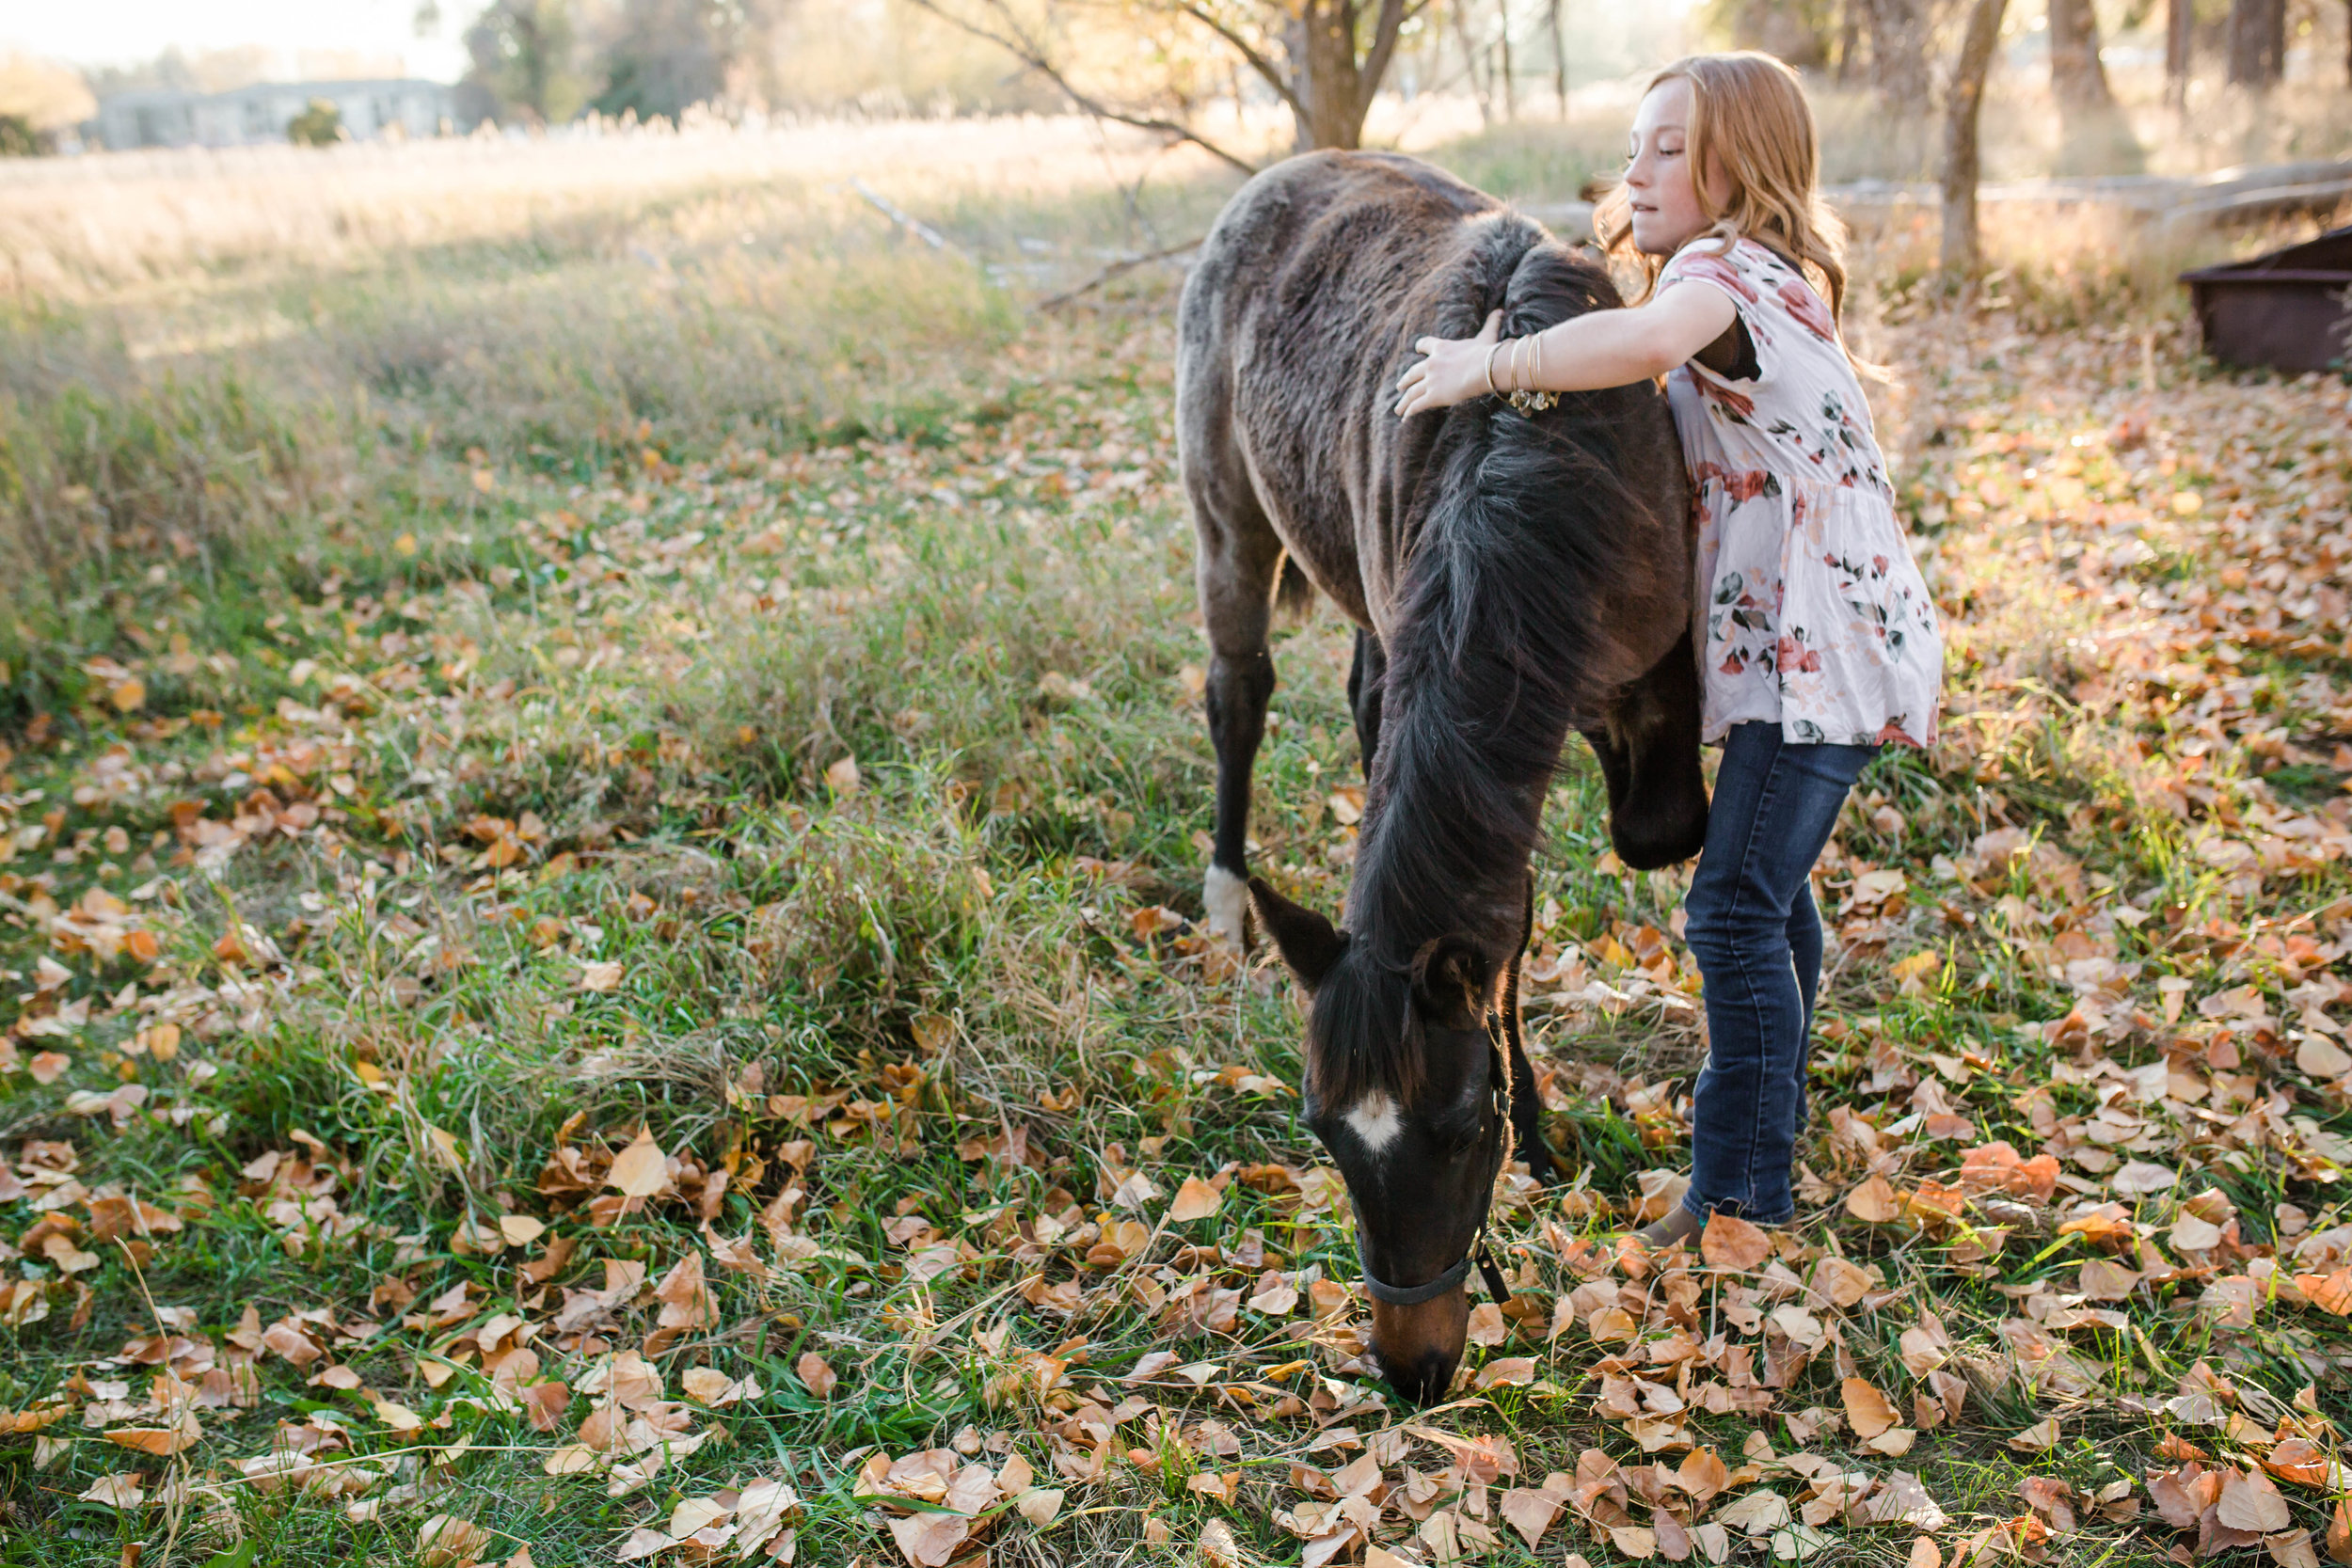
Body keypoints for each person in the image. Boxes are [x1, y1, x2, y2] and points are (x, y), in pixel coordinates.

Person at [1391, 52, 1943, 1248]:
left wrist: (1485, 367)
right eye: (1634, 145)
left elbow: (1643, 347)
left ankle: (1740, 1192)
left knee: (1730, 912)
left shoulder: (1718, 273)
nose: (1635, 171)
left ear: (1738, 166)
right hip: (1819, 638)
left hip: (1820, 646)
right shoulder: (1772, 273)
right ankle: (1773, 1119)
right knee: (1767, 892)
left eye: (1669, 148)